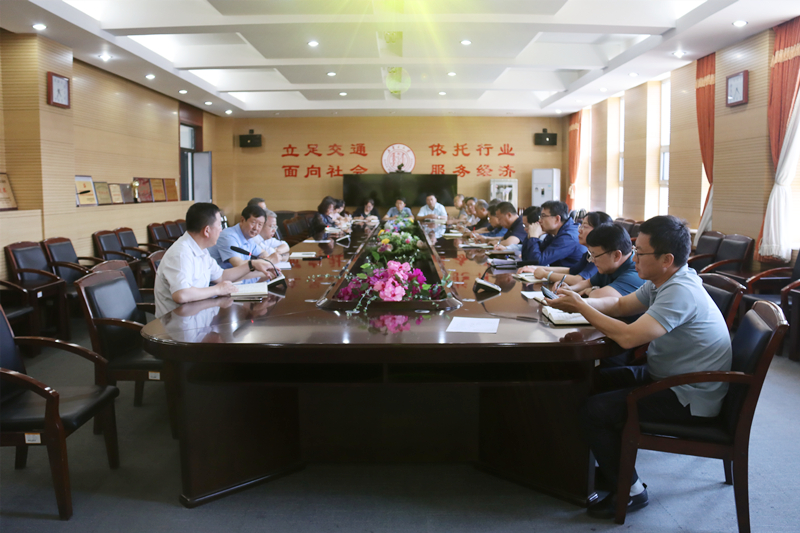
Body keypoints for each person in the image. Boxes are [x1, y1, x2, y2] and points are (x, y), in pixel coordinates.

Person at [545, 215, 732, 519]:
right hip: (668, 375)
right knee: (592, 380)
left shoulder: (680, 292)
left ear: (666, 259)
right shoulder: (663, 281)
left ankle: (631, 491)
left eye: (641, 253)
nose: (634, 258)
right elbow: (620, 306)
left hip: (688, 393)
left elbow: (629, 337)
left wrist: (581, 308)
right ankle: (608, 466)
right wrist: (579, 302)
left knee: (595, 410)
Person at [154, 203, 277, 317]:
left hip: (198, 316)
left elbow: (221, 276)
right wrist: (218, 289)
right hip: (176, 325)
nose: (221, 230)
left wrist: (252, 264)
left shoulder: (202, 249)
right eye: (219, 225)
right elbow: (181, 294)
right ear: (207, 230)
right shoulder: (181, 253)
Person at [518, 211, 613, 285]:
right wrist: (535, 268)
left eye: (584, 227)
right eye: (580, 226)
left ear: (599, 230)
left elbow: (579, 280)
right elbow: (570, 270)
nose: (579, 230)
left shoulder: (601, 255)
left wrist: (545, 274)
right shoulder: (589, 253)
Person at [567, 224, 644, 298]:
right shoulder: (609, 266)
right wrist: (569, 289)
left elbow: (598, 296)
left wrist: (593, 290)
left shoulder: (636, 273)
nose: (592, 260)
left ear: (616, 255)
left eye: (595, 256)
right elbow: (589, 282)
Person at [521, 200, 584, 268]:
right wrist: (530, 236)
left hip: (571, 274)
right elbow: (526, 259)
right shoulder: (554, 233)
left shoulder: (568, 237)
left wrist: (533, 237)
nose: (539, 220)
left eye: (543, 216)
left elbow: (537, 262)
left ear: (557, 219)